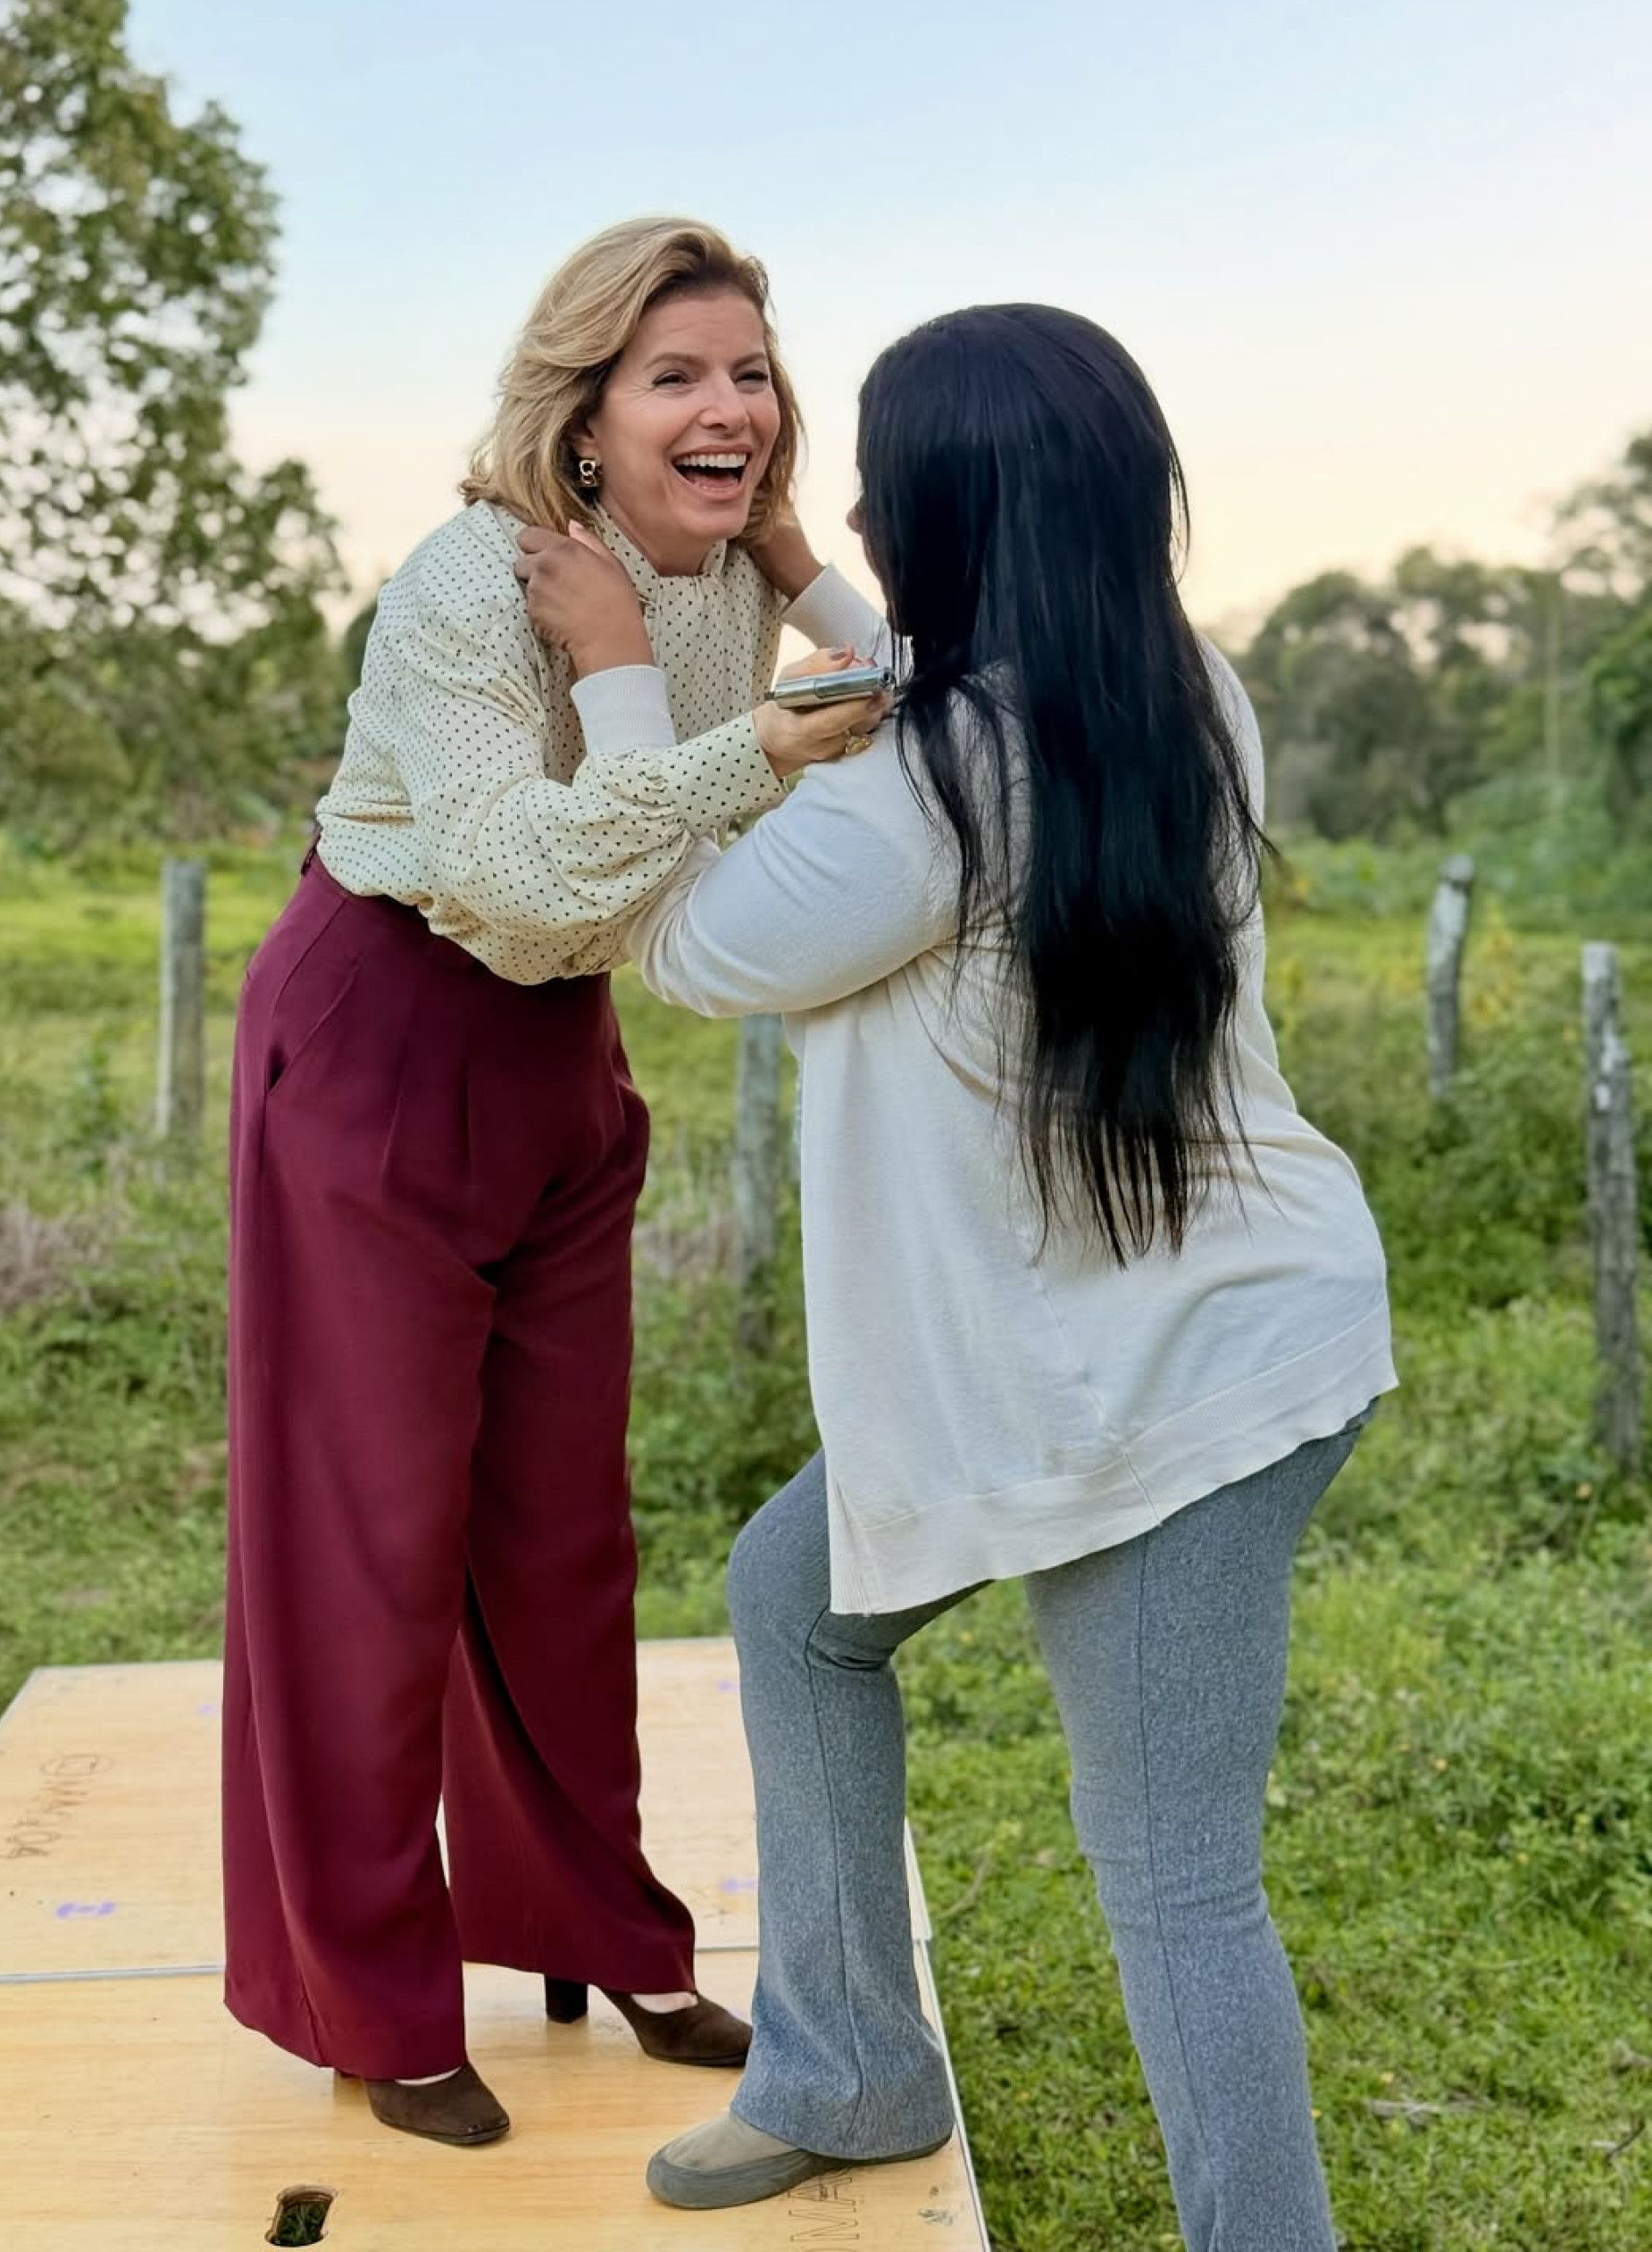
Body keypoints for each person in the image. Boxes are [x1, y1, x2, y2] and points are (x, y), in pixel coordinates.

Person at [519, 303, 1396, 2247]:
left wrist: (616, 678)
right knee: (792, 1598)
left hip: (1171, 1389)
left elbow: (690, 937)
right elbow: (925, 671)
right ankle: (850, 2061)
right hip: (1116, 1329)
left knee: (1175, 1881)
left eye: (875, 480)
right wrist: (789, 575)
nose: (848, 500)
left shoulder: (930, 787)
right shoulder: (1168, 686)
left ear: (953, 505)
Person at [221, 217, 886, 2150]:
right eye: (678, 374)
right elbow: (520, 873)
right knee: (370, 1544)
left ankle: (598, 1922)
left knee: (562, 1535)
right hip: (384, 1033)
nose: (729, 408)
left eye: (751, 371)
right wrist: (744, 743)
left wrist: (783, 573)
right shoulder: (467, 585)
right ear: (581, 414)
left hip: (559, 1066)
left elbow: (904, 681)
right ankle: (370, 1994)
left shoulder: (714, 577)